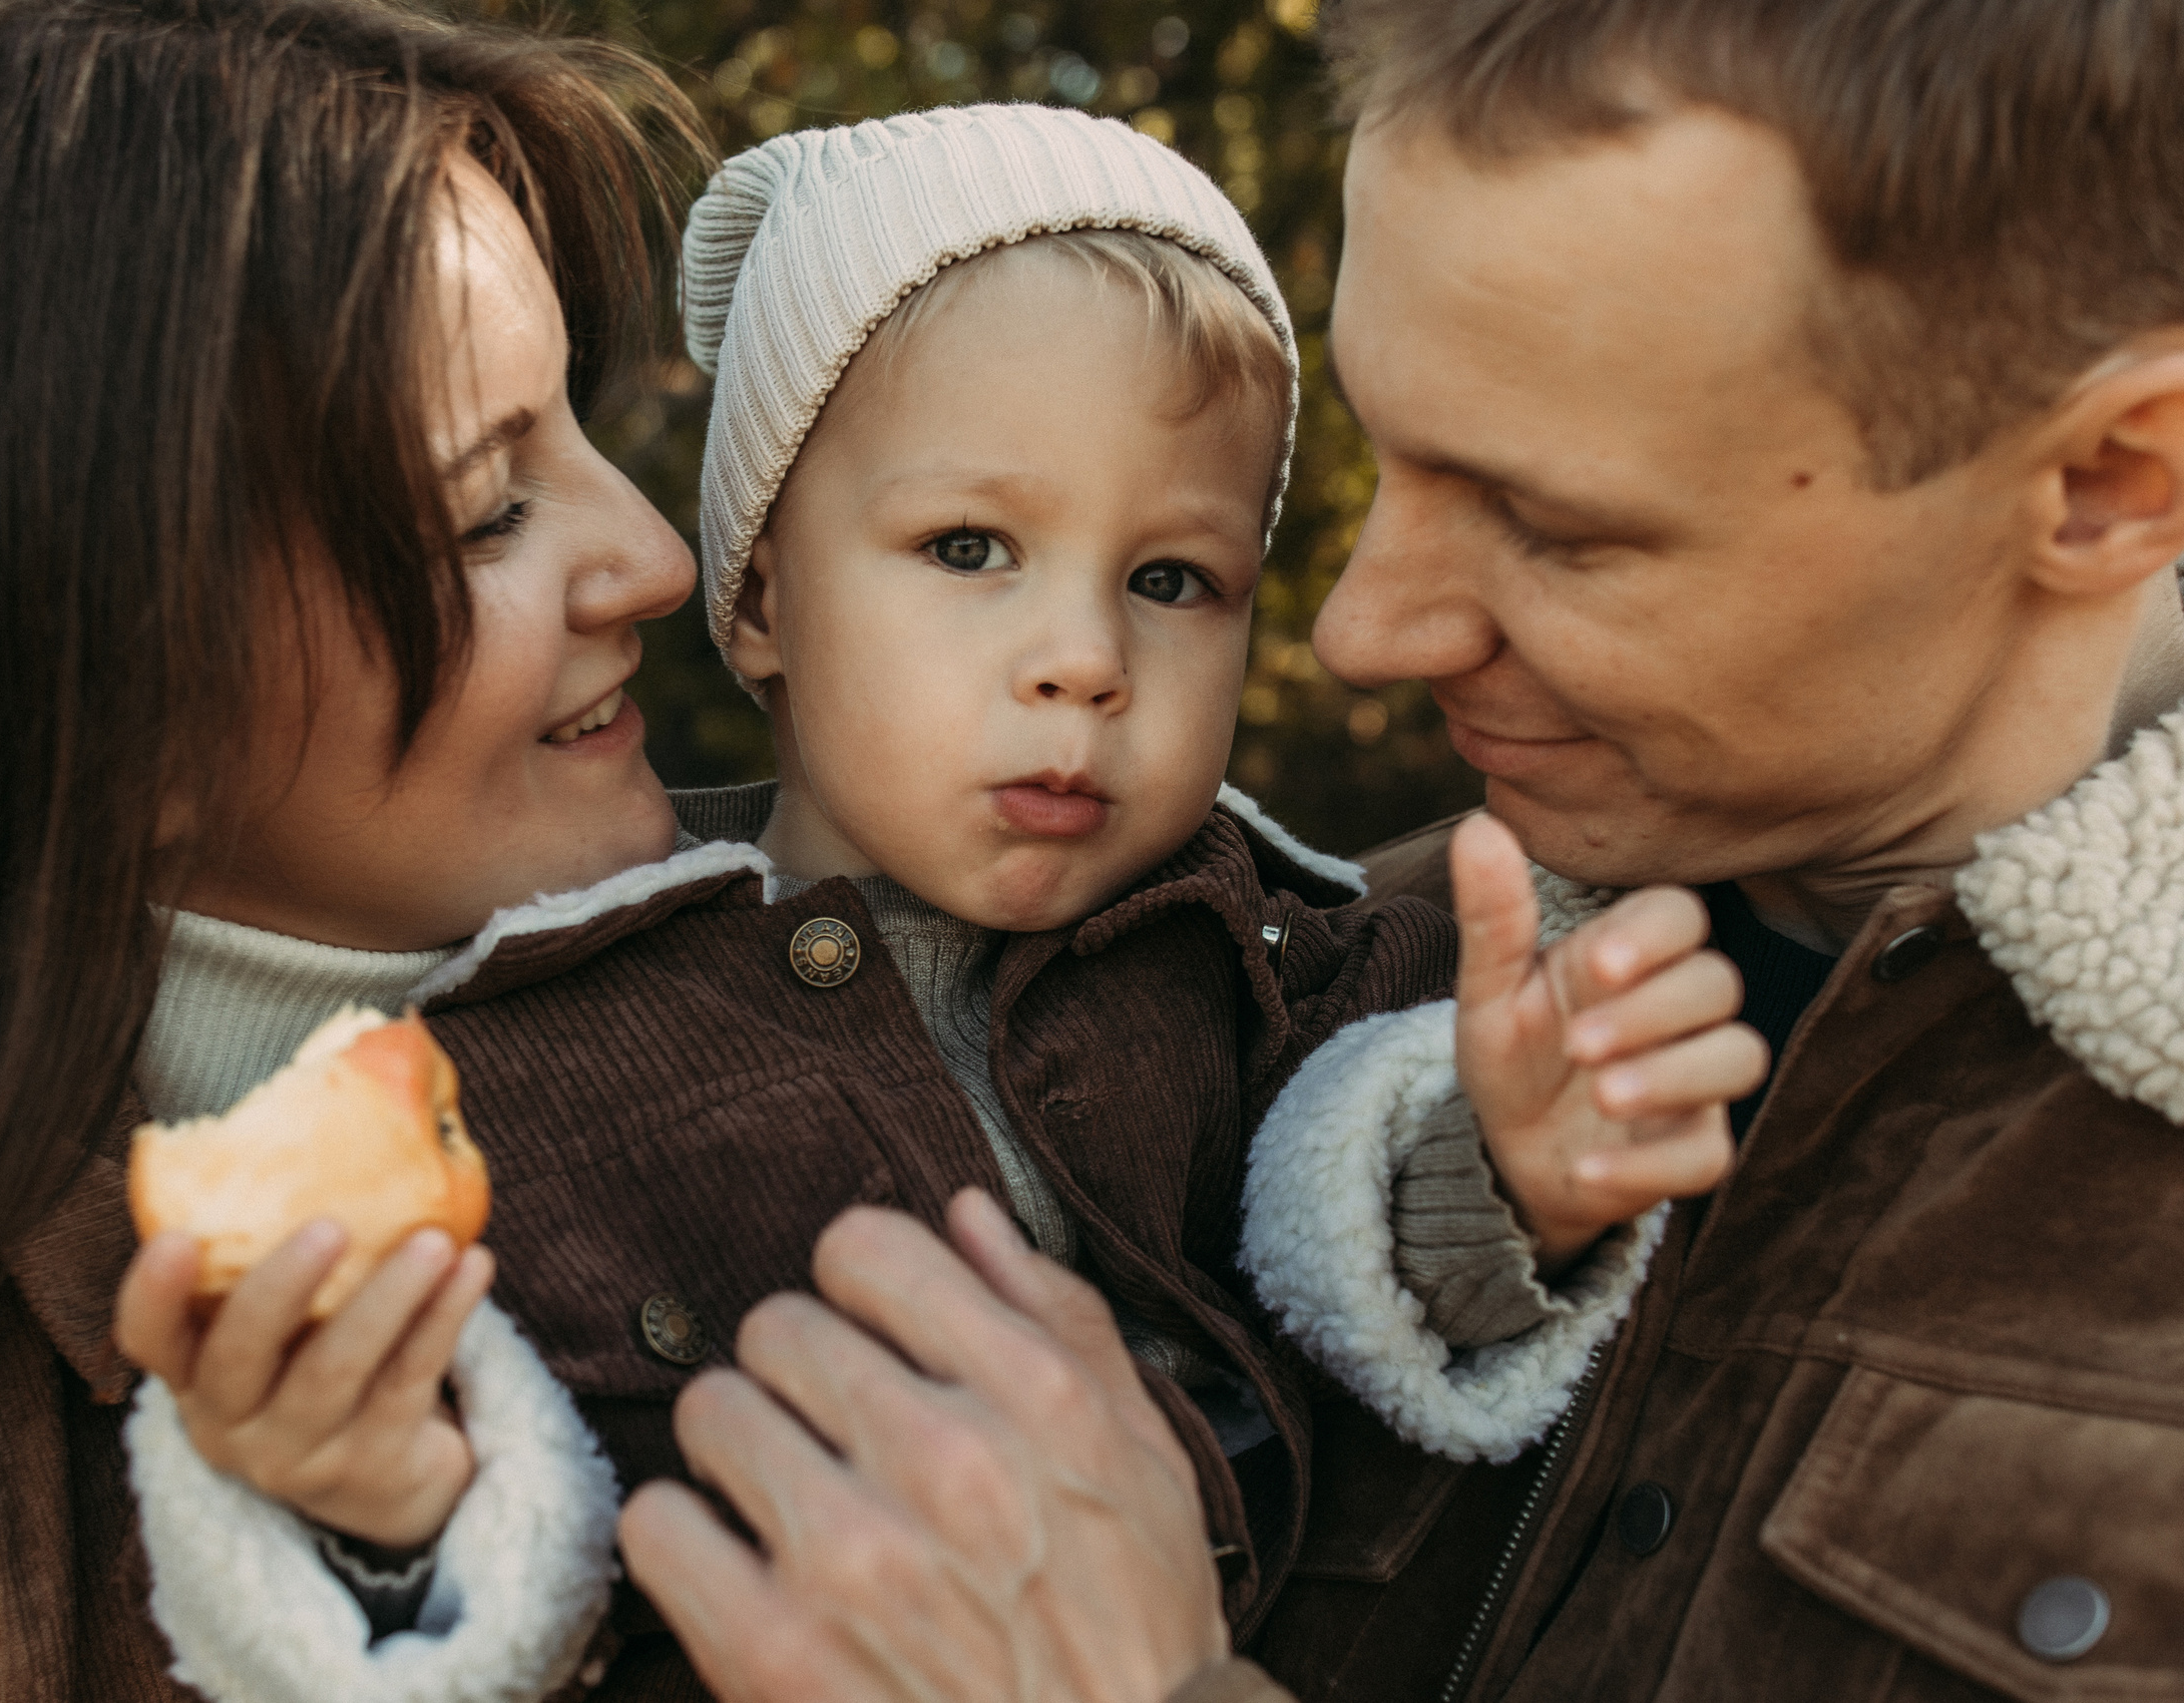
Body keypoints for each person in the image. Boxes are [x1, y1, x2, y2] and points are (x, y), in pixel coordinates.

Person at [614, 1, 2184, 1698]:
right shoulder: (1332, 991)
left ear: (2105, 480)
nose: (1364, 630)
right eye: (1384, 463)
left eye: (1555, 524)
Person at [117, 103, 1763, 1700]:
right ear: (760, 595)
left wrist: (1512, 1175)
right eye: (972, 548)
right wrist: (374, 1503)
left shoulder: (1265, 954)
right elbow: (507, 1557)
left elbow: (1370, 1259)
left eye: (1170, 581)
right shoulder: (535, 1040)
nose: (1083, 662)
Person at [0, 1, 709, 1695]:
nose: (655, 558)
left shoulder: (899, 975)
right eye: (488, 509)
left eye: (582, 429)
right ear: (101, 702)